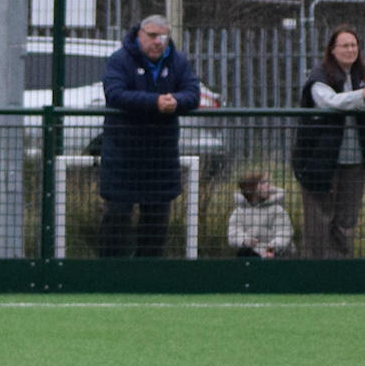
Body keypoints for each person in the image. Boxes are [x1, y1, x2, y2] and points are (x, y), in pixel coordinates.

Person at [99, 15, 206, 258]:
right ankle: (109, 275)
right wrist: (155, 102)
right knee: (116, 217)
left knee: (156, 223)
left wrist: (175, 101)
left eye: (163, 37)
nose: (157, 42)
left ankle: (149, 278)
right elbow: (115, 94)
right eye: (152, 36)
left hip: (161, 156)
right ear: (139, 34)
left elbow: (192, 93)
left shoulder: (177, 61)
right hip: (122, 156)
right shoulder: (120, 60)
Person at [293, 24, 363, 259]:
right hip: (319, 161)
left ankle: (340, 269)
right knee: (318, 220)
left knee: (346, 220)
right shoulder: (319, 76)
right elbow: (330, 102)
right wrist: (361, 96)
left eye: (354, 45)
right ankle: (315, 273)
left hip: (355, 162)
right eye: (344, 45)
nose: (350, 50)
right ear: (332, 49)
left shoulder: (360, 74)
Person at [227, 171, 294, 259]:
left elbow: (284, 233)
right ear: (251, 188)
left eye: (268, 181)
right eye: (263, 183)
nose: (268, 185)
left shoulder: (278, 210)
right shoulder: (239, 212)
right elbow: (233, 233)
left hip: (274, 255)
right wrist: (245, 241)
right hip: (250, 254)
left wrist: (271, 248)